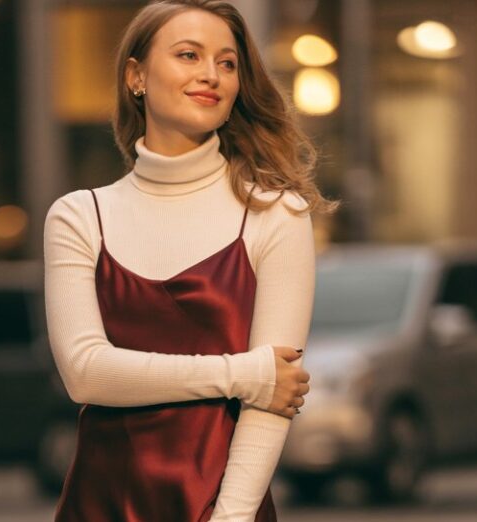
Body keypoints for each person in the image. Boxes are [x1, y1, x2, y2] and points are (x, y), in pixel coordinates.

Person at [43, 1, 339, 520]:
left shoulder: (276, 214)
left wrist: (231, 517)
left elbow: (271, 404)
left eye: (228, 63)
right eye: (189, 55)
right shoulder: (79, 216)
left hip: (226, 507)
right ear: (136, 75)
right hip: (101, 503)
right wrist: (244, 372)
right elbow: (85, 374)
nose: (211, 75)